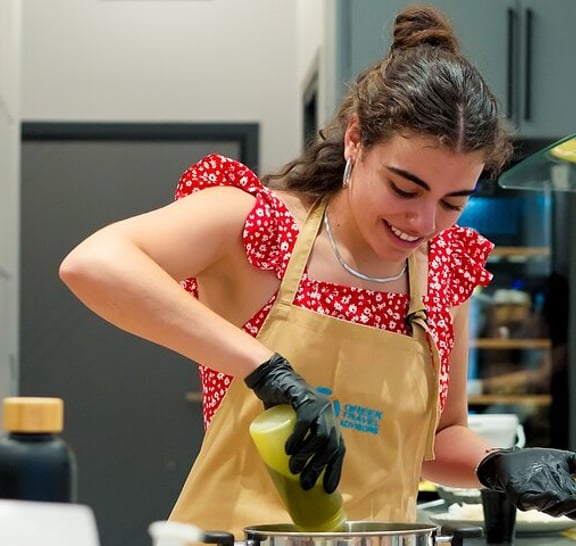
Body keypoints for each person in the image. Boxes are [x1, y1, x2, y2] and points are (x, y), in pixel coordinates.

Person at [59, 5, 576, 538]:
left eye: (453, 202)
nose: (424, 223)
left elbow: (437, 440)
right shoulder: (261, 227)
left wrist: (496, 465)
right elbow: (94, 264)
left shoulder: (441, 272)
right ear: (355, 140)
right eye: (404, 188)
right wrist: (264, 370)